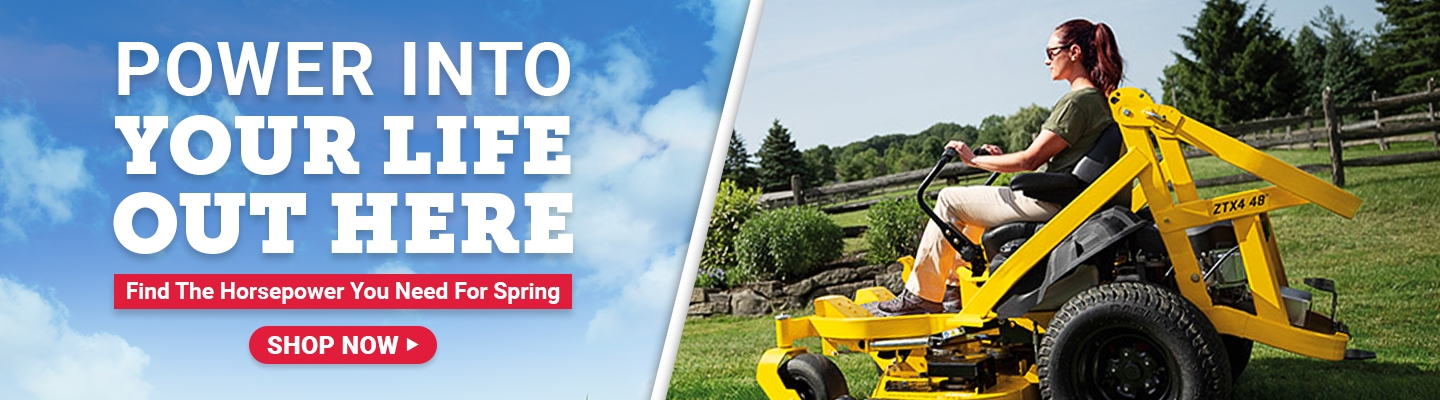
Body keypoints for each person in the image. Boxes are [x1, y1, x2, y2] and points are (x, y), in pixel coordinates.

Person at [864, 19, 1124, 317]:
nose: (1046, 60)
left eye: (1051, 52)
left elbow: (1028, 161)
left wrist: (971, 160)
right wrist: (998, 159)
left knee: (949, 199)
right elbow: (1046, 158)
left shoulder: (1077, 102)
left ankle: (921, 296)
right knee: (971, 208)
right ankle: (954, 290)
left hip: (1055, 203)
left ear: (1074, 52)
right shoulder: (1099, 100)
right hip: (1069, 200)